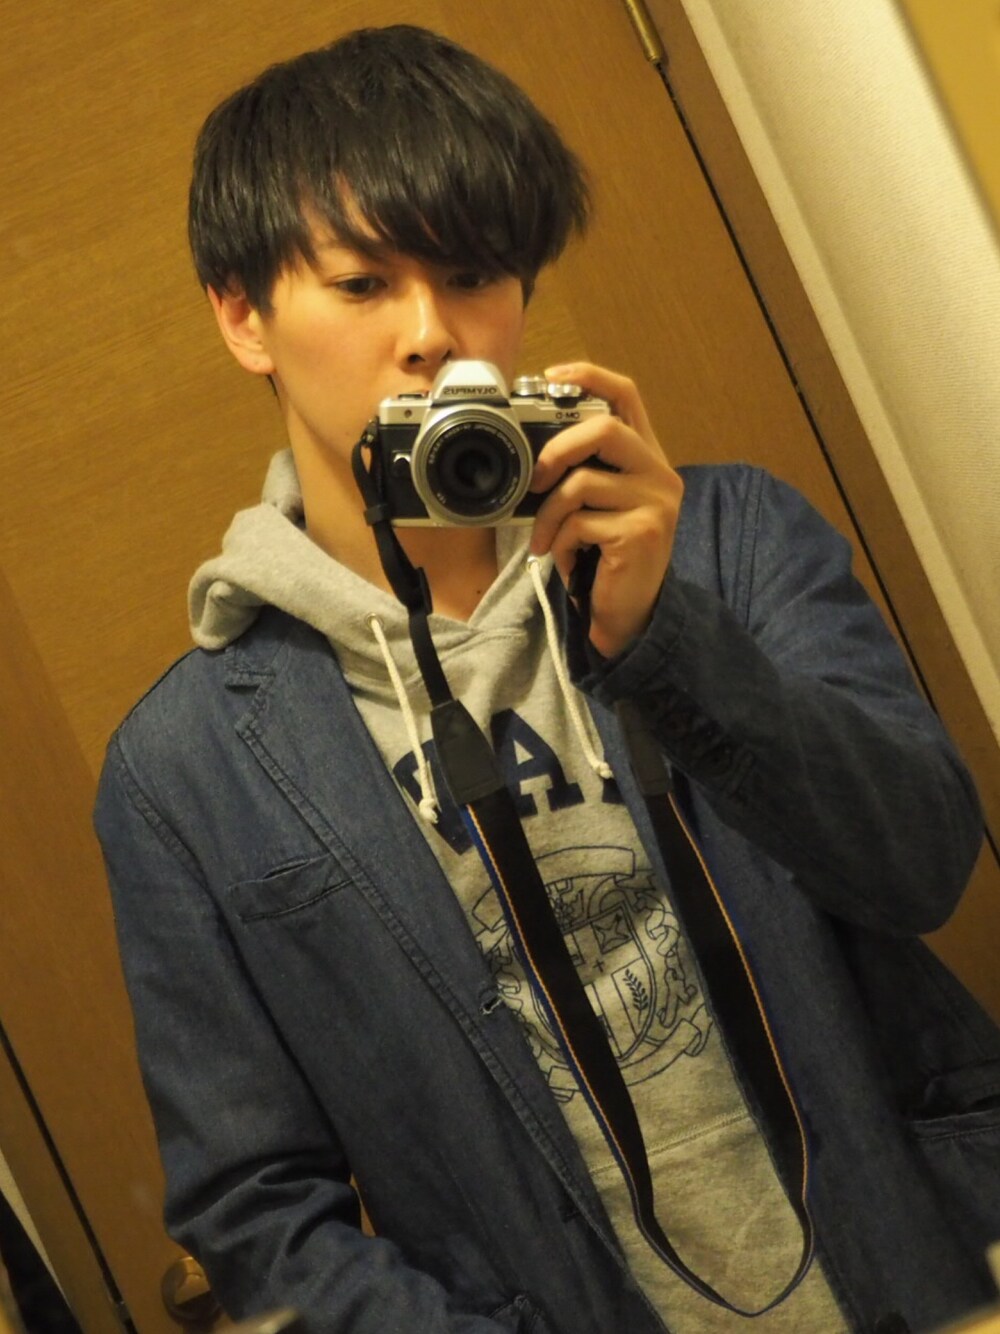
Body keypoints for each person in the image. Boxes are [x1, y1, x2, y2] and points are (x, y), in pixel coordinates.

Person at [93, 24, 1000, 1334]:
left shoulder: (730, 543)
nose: (428, 334)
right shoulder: (188, 769)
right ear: (246, 316)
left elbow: (924, 867)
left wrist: (665, 639)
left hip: (909, 1282)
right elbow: (258, 1213)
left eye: (471, 274)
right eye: (361, 283)